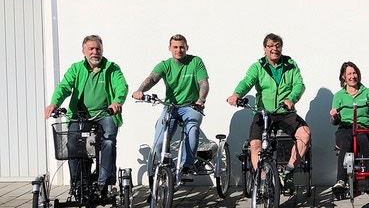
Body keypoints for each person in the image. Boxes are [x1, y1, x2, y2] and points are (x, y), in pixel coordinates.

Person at [227, 33, 311, 196]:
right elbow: (247, 81)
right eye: (271, 46)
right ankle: (263, 180)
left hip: (284, 111)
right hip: (263, 112)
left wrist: (291, 99)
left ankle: (288, 172)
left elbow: (299, 84)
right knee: (255, 145)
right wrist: (237, 94)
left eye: (278, 45)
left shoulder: (290, 64)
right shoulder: (258, 66)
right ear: (265, 48)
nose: (275, 49)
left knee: (305, 134)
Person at [44, 35, 128, 197]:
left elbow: (121, 86)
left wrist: (117, 101)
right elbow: (64, 87)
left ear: (102, 50)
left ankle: (104, 183)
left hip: (105, 113)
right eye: (91, 49)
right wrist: (54, 103)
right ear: (84, 51)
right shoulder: (77, 68)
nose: (95, 52)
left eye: (98, 49)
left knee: (109, 141)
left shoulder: (111, 68)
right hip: (80, 115)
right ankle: (79, 183)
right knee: (73, 145)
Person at [132, 34, 209, 182]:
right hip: (170, 107)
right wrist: (140, 90)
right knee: (160, 141)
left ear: (187, 47)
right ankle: (171, 171)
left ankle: (186, 167)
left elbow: (203, 83)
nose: (179, 50)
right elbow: (152, 79)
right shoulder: (165, 65)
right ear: (170, 48)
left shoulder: (195, 62)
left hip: (192, 106)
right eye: (175, 47)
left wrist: (201, 100)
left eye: (181, 47)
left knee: (192, 130)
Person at [330, 62, 369, 195]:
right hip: (345, 128)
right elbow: (335, 122)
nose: (352, 76)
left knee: (364, 139)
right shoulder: (339, 95)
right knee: (346, 141)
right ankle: (341, 180)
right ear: (343, 77)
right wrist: (334, 116)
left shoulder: (367, 92)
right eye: (349, 74)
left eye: (354, 73)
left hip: (364, 128)